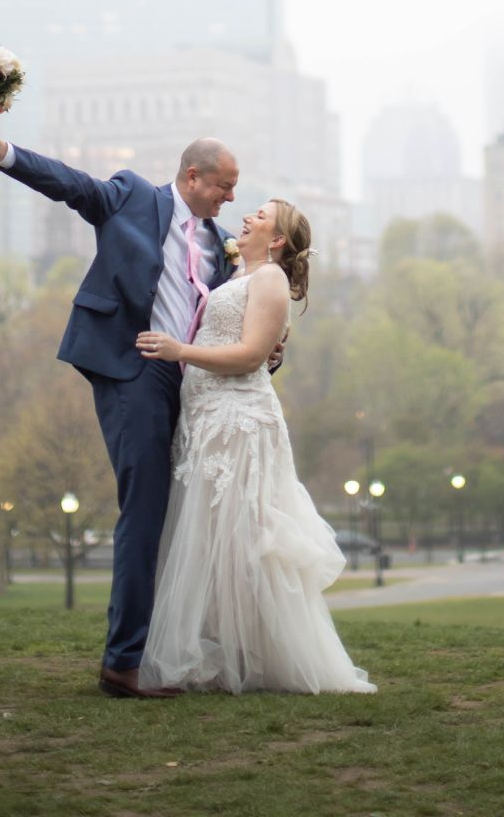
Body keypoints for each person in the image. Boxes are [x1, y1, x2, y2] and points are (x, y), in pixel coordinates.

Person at [0, 103, 243, 699]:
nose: (229, 199)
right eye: (223, 186)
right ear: (192, 177)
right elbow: (68, 184)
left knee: (181, 513)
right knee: (144, 508)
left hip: (189, 380)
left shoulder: (222, 245)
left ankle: (177, 645)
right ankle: (123, 662)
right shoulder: (132, 196)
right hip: (132, 366)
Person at [134, 198, 374, 695]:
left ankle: (251, 657)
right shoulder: (239, 275)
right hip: (206, 416)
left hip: (237, 419)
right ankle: (224, 651)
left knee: (239, 535)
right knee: (210, 536)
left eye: (260, 216)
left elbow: (248, 356)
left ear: (279, 239)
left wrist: (180, 351)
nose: (246, 218)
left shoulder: (269, 279)